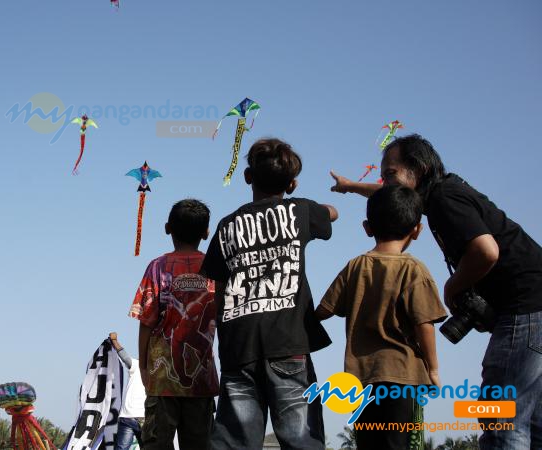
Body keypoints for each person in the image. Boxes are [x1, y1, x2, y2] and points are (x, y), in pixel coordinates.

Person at [330, 134, 542, 449]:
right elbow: (395, 196)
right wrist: (351, 187)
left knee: (502, 422)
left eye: (391, 173)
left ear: (420, 169)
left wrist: (452, 287)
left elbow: (487, 251)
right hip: (534, 307)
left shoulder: (444, 199)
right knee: (533, 425)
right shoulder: (442, 192)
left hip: (522, 308)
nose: (385, 181)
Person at [201, 138, 338, 450]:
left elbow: (218, 292)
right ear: (292, 184)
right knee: (301, 439)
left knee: (234, 441)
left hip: (239, 347)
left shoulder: (226, 226)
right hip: (289, 344)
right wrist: (321, 208)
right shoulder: (301, 211)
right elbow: (332, 213)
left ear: (248, 177)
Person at [316, 185, 447, 450]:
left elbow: (324, 310)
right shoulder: (414, 270)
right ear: (417, 230)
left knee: (368, 444)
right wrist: (433, 369)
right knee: (399, 444)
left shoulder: (355, 266)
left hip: (361, 379)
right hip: (403, 378)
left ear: (367, 227)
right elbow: (425, 324)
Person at [129, 199, 218, 450]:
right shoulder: (215, 268)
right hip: (202, 378)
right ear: (206, 232)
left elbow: (146, 321)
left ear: (168, 228)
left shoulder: (157, 267)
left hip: (161, 379)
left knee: (156, 444)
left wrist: (145, 368)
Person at [109, 332, 146, 450]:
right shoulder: (139, 365)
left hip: (133, 418)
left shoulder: (137, 365)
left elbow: (124, 356)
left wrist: (114, 341)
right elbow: (124, 356)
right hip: (134, 418)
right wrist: (114, 341)